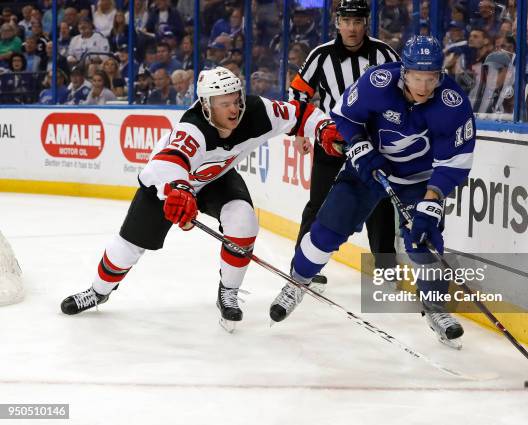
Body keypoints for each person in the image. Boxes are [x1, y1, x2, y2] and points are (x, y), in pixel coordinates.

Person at [60, 67, 342, 333]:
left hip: (215, 179)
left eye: (236, 100)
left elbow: (301, 113)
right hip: (167, 184)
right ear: (207, 106)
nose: (234, 109)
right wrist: (180, 191)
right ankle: (98, 291)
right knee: (127, 248)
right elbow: (170, 161)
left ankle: (228, 293)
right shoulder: (192, 128)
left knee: (243, 221)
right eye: (224, 104)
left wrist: (324, 129)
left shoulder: (257, 111)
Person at [270, 36, 476, 349]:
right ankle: (297, 281)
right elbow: (343, 115)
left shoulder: (453, 104)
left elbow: (455, 163)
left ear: (440, 75)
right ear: (404, 72)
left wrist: (431, 202)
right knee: (325, 230)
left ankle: (435, 309)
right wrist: (360, 145)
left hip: (420, 180)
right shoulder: (377, 83)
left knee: (426, 243)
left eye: (430, 78)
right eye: (417, 78)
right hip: (368, 169)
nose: (423, 87)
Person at [287, 0, 400, 289]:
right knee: (319, 202)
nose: (351, 28)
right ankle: (302, 264)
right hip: (331, 143)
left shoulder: (384, 53)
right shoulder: (320, 55)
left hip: (373, 145)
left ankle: (385, 268)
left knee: (381, 204)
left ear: (366, 23)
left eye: (357, 21)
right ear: (337, 22)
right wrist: (300, 131)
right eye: (346, 21)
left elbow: (403, 93)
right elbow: (299, 94)